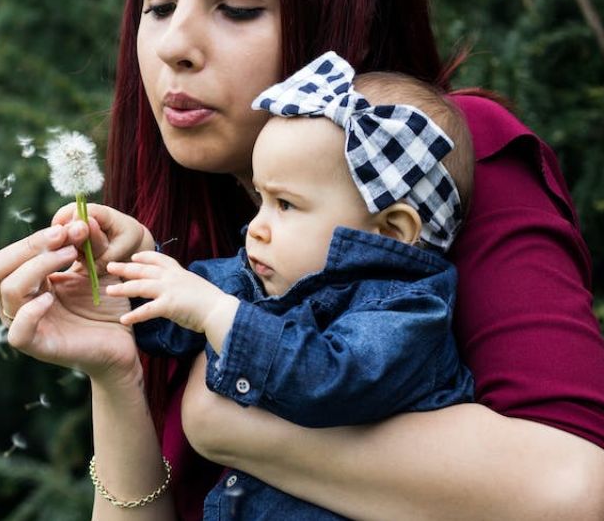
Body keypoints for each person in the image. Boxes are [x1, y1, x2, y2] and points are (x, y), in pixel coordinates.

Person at [0, 0, 604, 519]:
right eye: (160, 3)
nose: (176, 43)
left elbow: (570, 492)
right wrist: (114, 370)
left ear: (340, 11)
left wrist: (219, 414)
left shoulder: (437, 158)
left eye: (234, 6)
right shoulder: (204, 233)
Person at [107, 52, 477, 519]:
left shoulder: (408, 313)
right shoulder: (266, 277)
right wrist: (118, 281)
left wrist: (218, 314)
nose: (256, 227)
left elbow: (328, 379)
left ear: (390, 232)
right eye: (261, 199)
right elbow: (179, 309)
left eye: (285, 205)